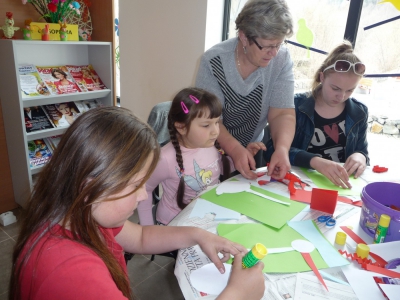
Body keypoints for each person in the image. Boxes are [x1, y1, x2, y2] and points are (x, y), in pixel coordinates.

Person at [9, 106, 265, 300]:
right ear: (90, 186)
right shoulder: (72, 272)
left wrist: (199, 235)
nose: (144, 196)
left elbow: (141, 237)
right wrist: (237, 294)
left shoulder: (80, 212)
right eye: (135, 186)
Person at [196, 0, 296, 180]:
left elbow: (282, 113)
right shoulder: (214, 62)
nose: (273, 53)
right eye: (267, 46)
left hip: (252, 149)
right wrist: (234, 149)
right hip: (210, 151)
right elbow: (210, 119)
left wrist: (282, 149)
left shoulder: (281, 59)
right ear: (244, 37)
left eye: (278, 44)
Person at [137, 87, 265, 226]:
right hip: (174, 225)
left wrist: (241, 158)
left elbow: (217, 168)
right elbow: (145, 190)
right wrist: (147, 229)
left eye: (216, 122)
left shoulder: (209, 145)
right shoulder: (165, 159)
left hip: (206, 217)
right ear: (181, 127)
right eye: (206, 125)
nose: (215, 131)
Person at [265, 40, 369, 188]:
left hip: (339, 187)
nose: (342, 96)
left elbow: (362, 152)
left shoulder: (359, 112)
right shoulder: (295, 106)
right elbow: (272, 150)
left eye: (350, 90)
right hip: (298, 184)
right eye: (335, 88)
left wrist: (361, 157)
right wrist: (315, 161)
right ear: (322, 77)